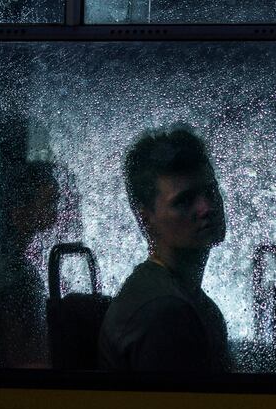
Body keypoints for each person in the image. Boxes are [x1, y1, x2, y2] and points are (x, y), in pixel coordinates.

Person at [98, 125, 231, 372]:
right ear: (146, 218)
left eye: (211, 192)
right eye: (185, 200)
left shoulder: (187, 300)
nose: (207, 207)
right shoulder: (164, 312)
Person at [0, 161, 59, 368]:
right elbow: (26, 358)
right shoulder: (19, 279)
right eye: (49, 203)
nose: (56, 214)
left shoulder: (16, 267)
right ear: (19, 213)